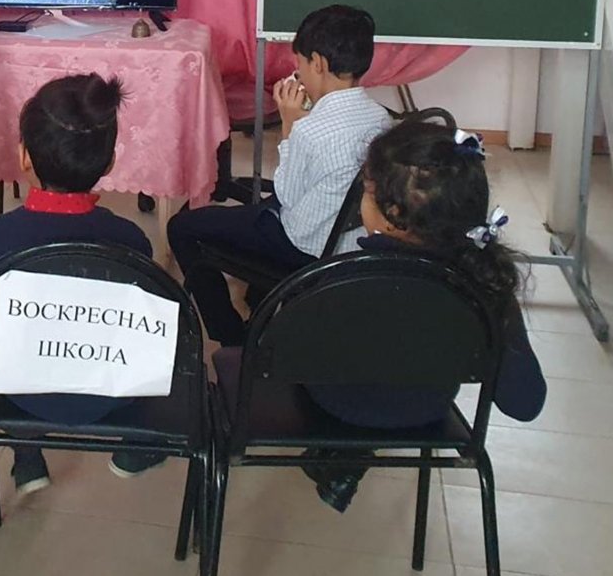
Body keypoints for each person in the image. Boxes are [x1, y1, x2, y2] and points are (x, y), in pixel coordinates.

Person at [217, 121, 547, 512]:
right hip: (425, 410)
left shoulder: (340, 279)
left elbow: (276, 359)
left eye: (367, 192)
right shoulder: (485, 289)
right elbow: (525, 403)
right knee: (390, 358)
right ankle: (348, 454)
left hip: (333, 404)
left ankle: (343, 450)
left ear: (391, 214)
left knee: (341, 361)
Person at [0, 74, 161, 495]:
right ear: (110, 163)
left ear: (23, 156)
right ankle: (137, 444)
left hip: (18, 391)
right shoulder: (130, 240)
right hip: (111, 394)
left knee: (0, 341)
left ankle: (26, 451)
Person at [168, 5, 390, 343]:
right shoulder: (380, 118)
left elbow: (286, 195)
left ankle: (231, 336)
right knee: (258, 210)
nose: (297, 72)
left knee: (183, 227)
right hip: (344, 236)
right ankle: (259, 299)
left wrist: (290, 124)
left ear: (318, 64)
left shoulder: (310, 131)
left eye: (299, 64)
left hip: (304, 244)